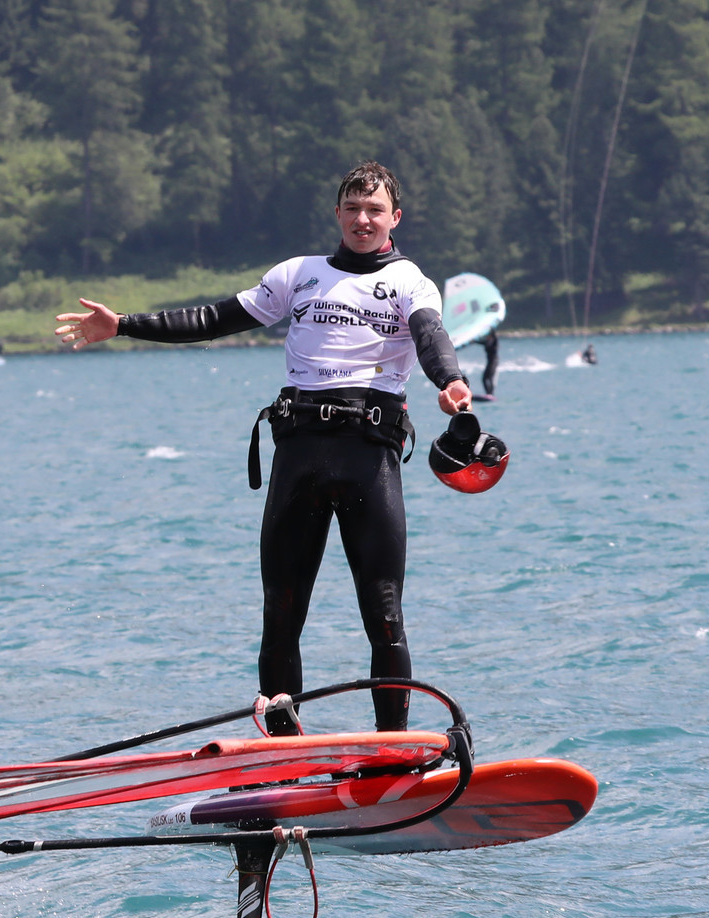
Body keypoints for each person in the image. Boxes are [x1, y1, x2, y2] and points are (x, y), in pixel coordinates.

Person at [55, 161, 471, 735]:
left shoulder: (410, 282)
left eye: (374, 209)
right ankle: (282, 758)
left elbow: (430, 336)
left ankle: (391, 752)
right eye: (352, 208)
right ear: (337, 214)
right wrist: (124, 324)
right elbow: (211, 317)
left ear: (394, 217)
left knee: (385, 616)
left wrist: (448, 380)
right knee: (280, 618)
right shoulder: (298, 274)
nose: (362, 219)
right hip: (298, 458)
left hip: (368, 459)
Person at [478, 329, 499, 398]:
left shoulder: (493, 341)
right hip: (490, 362)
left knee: (489, 378)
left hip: (494, 362)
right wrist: (472, 341)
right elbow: (481, 342)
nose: (487, 336)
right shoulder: (488, 341)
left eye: (488, 335)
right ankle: (489, 393)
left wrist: (491, 327)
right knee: (484, 378)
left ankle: (491, 394)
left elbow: (490, 342)